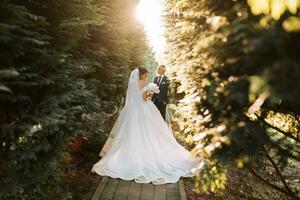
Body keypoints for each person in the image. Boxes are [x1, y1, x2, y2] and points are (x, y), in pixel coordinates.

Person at [91, 67, 203, 185]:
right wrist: (151, 91)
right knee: (150, 130)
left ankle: (125, 154)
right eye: (145, 74)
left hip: (132, 110)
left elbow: (134, 97)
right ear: (141, 75)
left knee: (131, 132)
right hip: (144, 109)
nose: (146, 76)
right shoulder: (144, 83)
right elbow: (145, 98)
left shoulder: (133, 83)